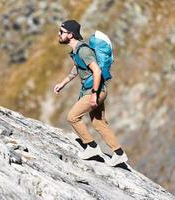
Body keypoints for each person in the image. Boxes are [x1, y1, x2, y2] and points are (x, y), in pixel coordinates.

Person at [54, 19, 128, 166]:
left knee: (72, 117)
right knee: (99, 122)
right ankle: (119, 153)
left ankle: (92, 147)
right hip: (97, 90)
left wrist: (94, 94)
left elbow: (97, 71)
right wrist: (63, 83)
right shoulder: (77, 51)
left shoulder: (83, 50)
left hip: (95, 91)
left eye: (62, 32)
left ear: (71, 34)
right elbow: (77, 68)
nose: (59, 34)